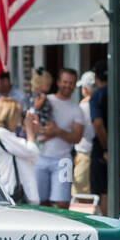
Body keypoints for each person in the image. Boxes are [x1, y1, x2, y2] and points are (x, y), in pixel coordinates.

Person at [26, 68, 85, 208]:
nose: (68, 85)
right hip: (40, 157)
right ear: (58, 82)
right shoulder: (45, 99)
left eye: (71, 83)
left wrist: (56, 131)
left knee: (63, 202)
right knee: (40, 201)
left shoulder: (76, 109)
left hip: (63, 160)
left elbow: (77, 137)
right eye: (65, 81)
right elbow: (29, 122)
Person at [0, 98, 40, 203]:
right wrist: (29, 130)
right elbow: (33, 152)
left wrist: (29, 130)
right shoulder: (1, 133)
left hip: (9, 191)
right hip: (11, 192)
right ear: (8, 115)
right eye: (16, 115)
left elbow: (31, 155)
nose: (18, 121)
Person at [87, 64, 110, 212]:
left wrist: (106, 147)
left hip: (103, 148)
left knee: (103, 191)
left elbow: (98, 124)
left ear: (96, 78)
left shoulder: (96, 96)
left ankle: (109, 223)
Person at [72, 71, 96, 197]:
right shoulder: (98, 103)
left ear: (85, 89)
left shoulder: (84, 106)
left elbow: (83, 130)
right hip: (90, 151)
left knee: (80, 190)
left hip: (85, 151)